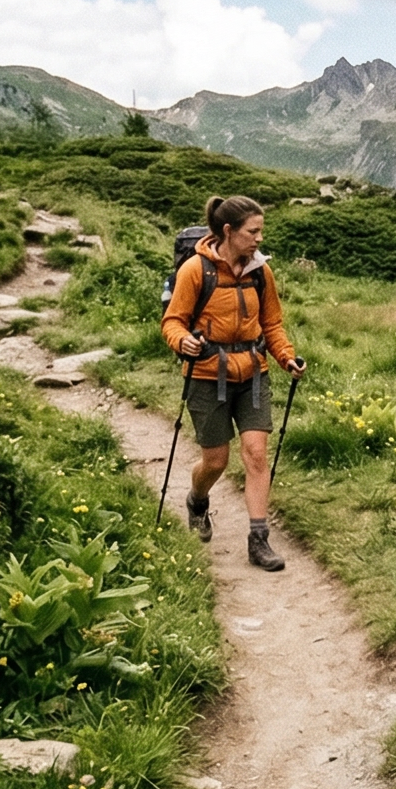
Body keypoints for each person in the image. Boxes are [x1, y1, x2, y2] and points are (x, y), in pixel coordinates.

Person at [161, 194, 306, 569]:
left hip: (253, 374)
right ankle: (197, 499)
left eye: (261, 231)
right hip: (208, 376)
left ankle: (259, 541)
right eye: (252, 231)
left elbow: (271, 324)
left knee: (257, 455)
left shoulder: (261, 272)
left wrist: (287, 357)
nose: (259, 239)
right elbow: (172, 321)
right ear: (229, 231)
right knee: (216, 461)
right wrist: (183, 341)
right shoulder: (196, 270)